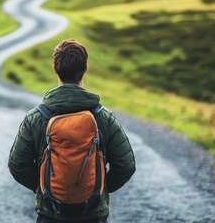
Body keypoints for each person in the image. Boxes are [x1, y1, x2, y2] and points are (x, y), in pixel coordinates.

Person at [8, 39, 136, 223]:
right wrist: (97, 189)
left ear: (54, 68)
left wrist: (46, 189)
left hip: (50, 215)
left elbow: (17, 165)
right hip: (93, 216)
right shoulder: (104, 118)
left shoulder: (35, 118)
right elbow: (126, 165)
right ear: (85, 69)